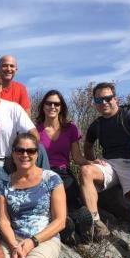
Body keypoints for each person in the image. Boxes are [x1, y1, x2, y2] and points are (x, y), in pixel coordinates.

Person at [80, 82, 130, 258]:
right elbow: (87, 147)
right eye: (98, 99)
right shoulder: (97, 125)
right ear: (94, 102)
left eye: (107, 98)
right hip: (109, 163)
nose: (104, 102)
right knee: (86, 171)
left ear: (116, 99)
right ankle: (96, 222)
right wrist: (93, 159)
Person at [35, 90, 93, 239]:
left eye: (56, 104)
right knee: (53, 198)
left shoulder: (70, 128)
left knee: (73, 197)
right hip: (44, 172)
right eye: (49, 103)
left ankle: (77, 222)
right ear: (43, 106)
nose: (52, 106)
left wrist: (91, 162)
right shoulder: (36, 130)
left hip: (64, 172)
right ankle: (65, 223)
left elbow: (77, 157)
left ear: (61, 107)